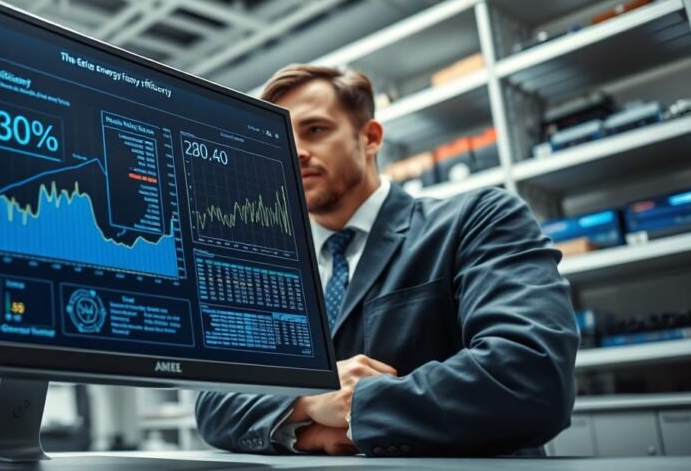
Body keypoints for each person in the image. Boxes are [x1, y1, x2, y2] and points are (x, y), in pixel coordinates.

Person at [195, 64, 579, 457]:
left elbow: (531, 376)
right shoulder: (274, 269)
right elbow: (214, 401)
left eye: (316, 129)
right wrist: (306, 411)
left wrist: (356, 409)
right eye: (277, 140)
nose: (296, 151)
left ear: (370, 138)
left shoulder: (477, 219)